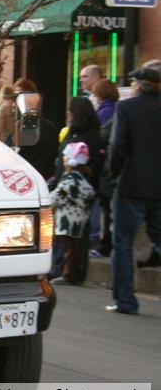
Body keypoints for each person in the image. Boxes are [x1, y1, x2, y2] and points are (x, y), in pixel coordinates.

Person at [107, 67, 161, 314]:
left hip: (132, 184)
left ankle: (125, 300)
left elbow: (118, 145)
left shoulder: (127, 108)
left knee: (123, 243)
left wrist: (113, 174)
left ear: (138, 85)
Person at [48, 97, 103, 281]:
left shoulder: (85, 138)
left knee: (69, 236)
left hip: (72, 194)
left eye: (70, 113)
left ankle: (65, 270)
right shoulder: (81, 134)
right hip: (75, 191)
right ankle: (66, 269)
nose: (68, 117)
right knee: (70, 236)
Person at [50, 142, 97, 284]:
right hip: (79, 218)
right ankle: (72, 275)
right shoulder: (84, 177)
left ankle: (68, 275)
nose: (63, 158)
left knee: (68, 249)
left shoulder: (70, 179)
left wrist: (47, 202)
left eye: (65, 156)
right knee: (74, 248)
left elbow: (57, 197)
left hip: (67, 219)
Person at [90, 79, 120, 257]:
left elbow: (103, 138)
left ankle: (104, 244)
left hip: (107, 170)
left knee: (106, 210)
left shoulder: (107, 112)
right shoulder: (113, 109)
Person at [13, 78, 58, 181]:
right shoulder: (15, 125)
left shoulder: (49, 128)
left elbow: (48, 159)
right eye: (15, 97)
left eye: (20, 96)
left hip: (35, 178)